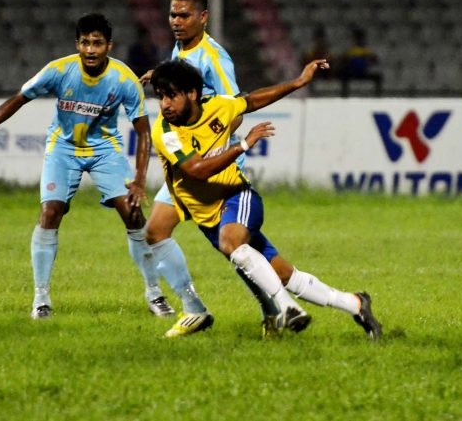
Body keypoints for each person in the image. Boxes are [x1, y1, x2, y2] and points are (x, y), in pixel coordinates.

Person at [0, 13, 210, 328]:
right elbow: (17, 100)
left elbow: (143, 132)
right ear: (77, 43)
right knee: (50, 212)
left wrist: (139, 180)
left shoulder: (124, 79)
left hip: (104, 149)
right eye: (85, 43)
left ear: (109, 45)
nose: (90, 49)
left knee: (133, 214)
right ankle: (41, 298)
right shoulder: (59, 70)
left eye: (97, 43)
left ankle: (154, 293)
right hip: (63, 149)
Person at [150, 58, 383, 340]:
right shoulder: (164, 132)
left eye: (171, 95)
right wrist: (243, 144)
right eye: (160, 96)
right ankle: (356, 304)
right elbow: (197, 170)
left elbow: (252, 100)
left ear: (192, 94)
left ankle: (286, 309)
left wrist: (298, 82)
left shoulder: (218, 107)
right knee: (283, 274)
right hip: (209, 219)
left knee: (231, 243)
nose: (164, 104)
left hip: (237, 197)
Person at [140, 0, 282, 329]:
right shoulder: (180, 50)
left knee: (234, 248)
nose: (176, 21)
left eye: (184, 15)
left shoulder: (215, 58)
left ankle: (274, 307)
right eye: (173, 14)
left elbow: (236, 109)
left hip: (214, 165)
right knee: (156, 231)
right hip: (191, 164)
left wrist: (210, 149)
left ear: (203, 17)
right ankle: (196, 308)